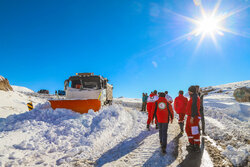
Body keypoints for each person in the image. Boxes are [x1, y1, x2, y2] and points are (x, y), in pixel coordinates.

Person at [185, 86, 201, 152]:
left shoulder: (195, 97)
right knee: (188, 130)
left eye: (189, 91)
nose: (188, 92)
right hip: (190, 116)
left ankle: (197, 146)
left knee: (194, 131)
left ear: (192, 91)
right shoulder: (193, 97)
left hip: (193, 117)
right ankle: (192, 144)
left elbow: (194, 107)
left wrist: (192, 117)